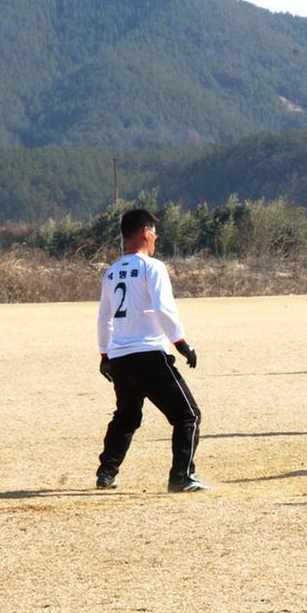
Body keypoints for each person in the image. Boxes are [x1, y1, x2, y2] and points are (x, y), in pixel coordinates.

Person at [95, 208, 208, 493]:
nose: (156, 238)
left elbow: (103, 317)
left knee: (127, 416)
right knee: (188, 416)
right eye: (154, 232)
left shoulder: (111, 272)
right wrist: (181, 342)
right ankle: (181, 477)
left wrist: (104, 355)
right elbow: (163, 307)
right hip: (149, 355)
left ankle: (105, 473)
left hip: (120, 358)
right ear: (146, 233)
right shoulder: (152, 267)